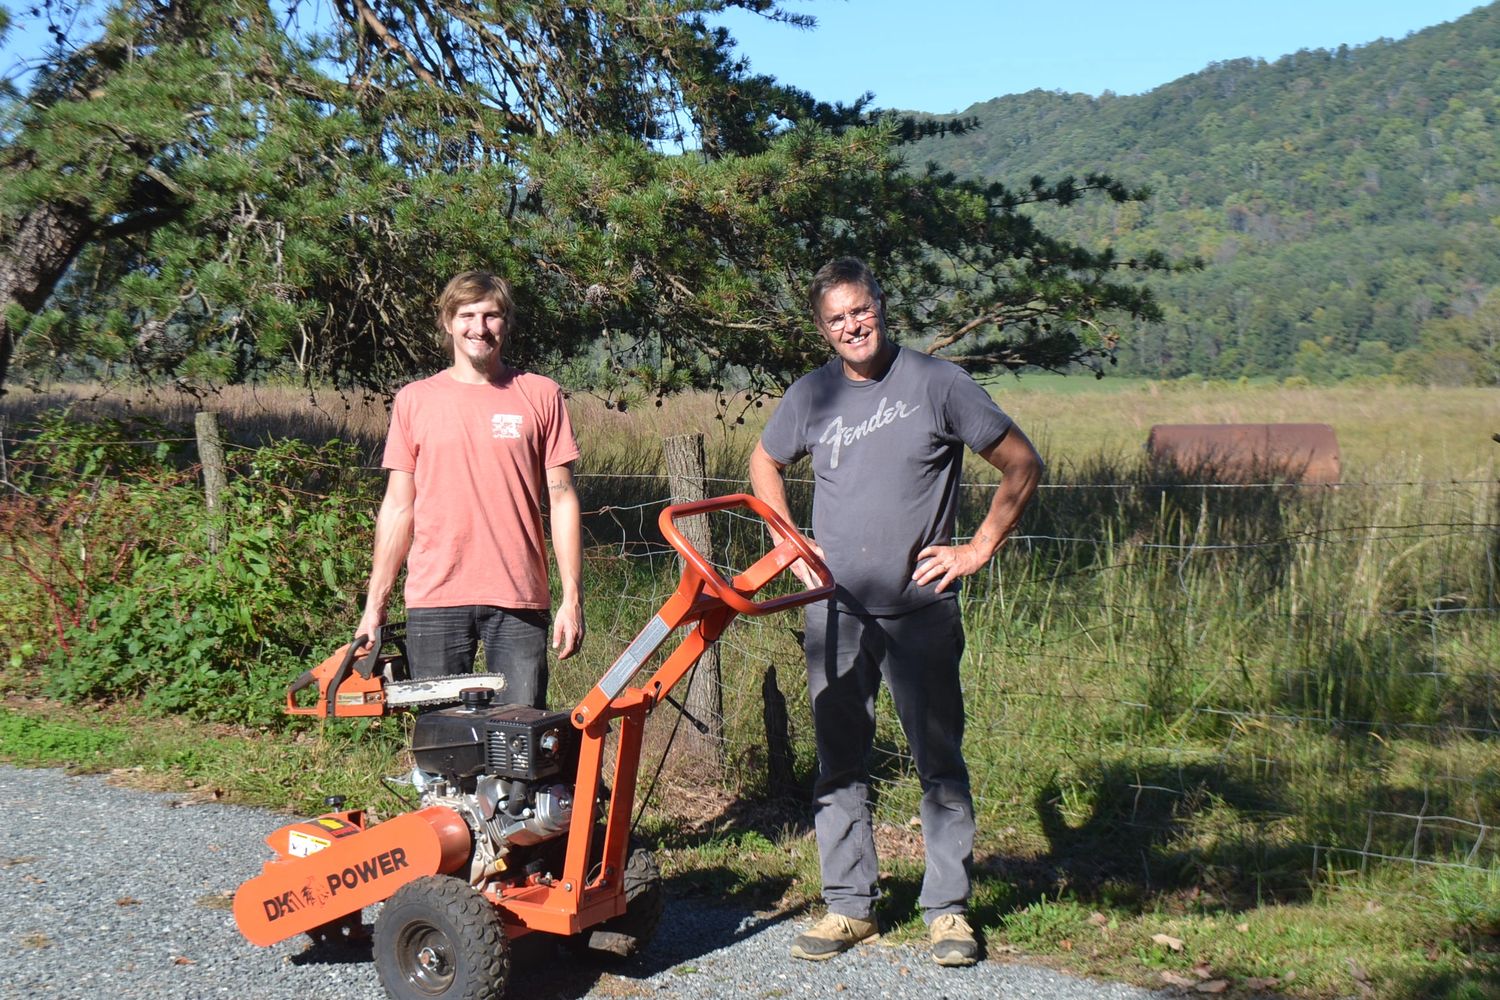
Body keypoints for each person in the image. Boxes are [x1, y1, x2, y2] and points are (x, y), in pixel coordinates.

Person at [749, 257, 1043, 967]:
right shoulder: (812, 394)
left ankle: (948, 912)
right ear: (822, 329)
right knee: (839, 760)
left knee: (937, 759)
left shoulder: (938, 384)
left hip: (920, 610)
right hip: (836, 610)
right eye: (836, 319)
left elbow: (1022, 462)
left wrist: (978, 548)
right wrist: (789, 543)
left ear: (881, 306)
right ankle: (850, 906)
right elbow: (764, 464)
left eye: (860, 310)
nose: (852, 326)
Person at [354, 270, 584, 708]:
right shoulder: (415, 400)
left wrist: (572, 598)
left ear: (506, 322)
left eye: (491, 315)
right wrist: (374, 606)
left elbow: (562, 498)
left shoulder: (540, 394)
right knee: (443, 739)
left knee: (519, 738)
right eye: (467, 315)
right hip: (435, 598)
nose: (479, 328)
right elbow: (399, 508)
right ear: (447, 321)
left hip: (518, 599)